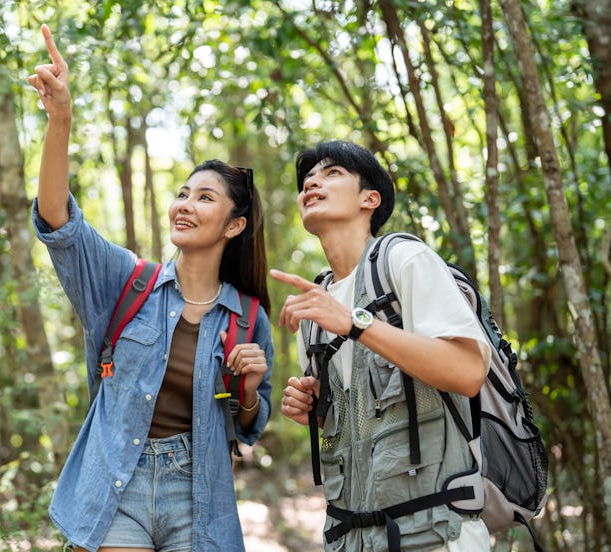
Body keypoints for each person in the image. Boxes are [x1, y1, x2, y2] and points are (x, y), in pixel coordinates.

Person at [27, 24, 273, 552]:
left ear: (234, 226)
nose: (185, 204)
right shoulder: (127, 280)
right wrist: (60, 119)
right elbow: (58, 222)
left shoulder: (247, 317)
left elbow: (250, 426)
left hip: (198, 492)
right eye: (183, 193)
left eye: (205, 198)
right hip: (120, 481)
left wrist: (250, 389)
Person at [270, 140, 491, 551]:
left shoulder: (404, 259)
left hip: (436, 533)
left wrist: (354, 322)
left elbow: (468, 372)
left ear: (370, 199)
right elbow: (359, 422)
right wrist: (314, 406)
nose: (313, 182)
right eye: (307, 179)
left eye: (332, 173)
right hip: (351, 538)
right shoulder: (315, 301)